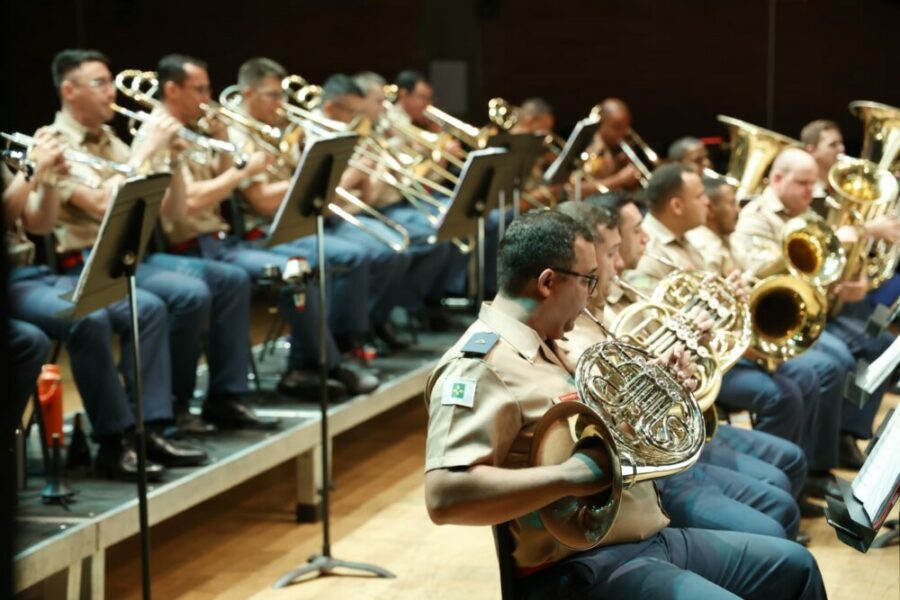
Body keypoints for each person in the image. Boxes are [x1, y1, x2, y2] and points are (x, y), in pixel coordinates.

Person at [423, 210, 824, 599]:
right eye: (588, 280)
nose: (592, 294)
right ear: (547, 282)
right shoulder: (479, 367)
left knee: (796, 568)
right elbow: (445, 496)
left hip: (647, 537)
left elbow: (603, 435)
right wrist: (574, 475)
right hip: (586, 570)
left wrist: (659, 397)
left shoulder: (552, 341)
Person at [132, 54, 377, 402]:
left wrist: (222, 143)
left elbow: (220, 186)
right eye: (200, 89)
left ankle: (311, 367)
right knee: (292, 271)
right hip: (188, 247)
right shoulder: (157, 136)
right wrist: (241, 172)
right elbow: (191, 203)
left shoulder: (193, 130)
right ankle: (323, 366)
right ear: (172, 90)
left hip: (220, 241)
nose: (208, 98)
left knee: (302, 268)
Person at [3, 125, 205, 479]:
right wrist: (33, 170)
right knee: (88, 317)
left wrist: (48, 181)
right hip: (13, 281)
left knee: (147, 308)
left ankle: (147, 429)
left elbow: (38, 224)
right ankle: (113, 441)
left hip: (33, 272)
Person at [731, 147, 895, 471]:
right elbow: (759, 270)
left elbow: (838, 266)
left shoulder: (808, 215)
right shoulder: (756, 217)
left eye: (812, 183)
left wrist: (859, 284)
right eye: (803, 183)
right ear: (778, 179)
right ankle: (818, 461)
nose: (811, 191)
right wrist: (847, 234)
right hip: (780, 319)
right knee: (837, 363)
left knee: (881, 344)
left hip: (825, 312)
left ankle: (847, 432)